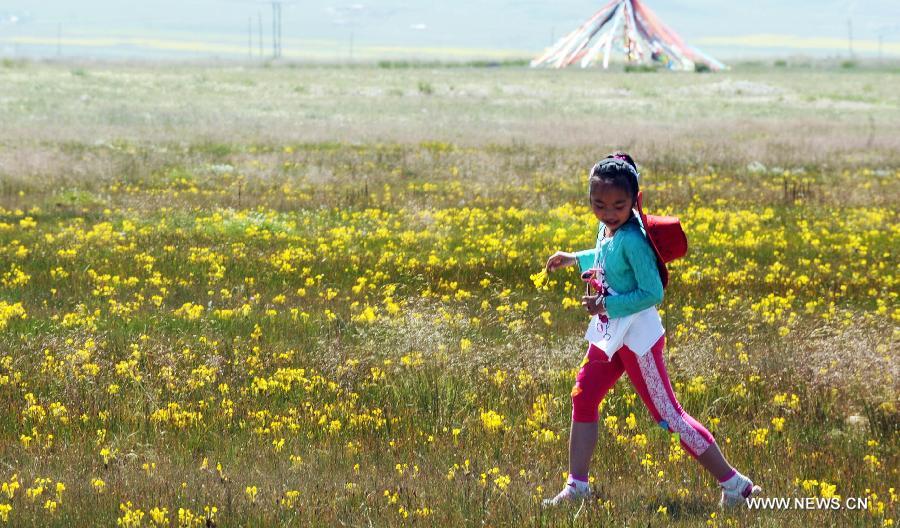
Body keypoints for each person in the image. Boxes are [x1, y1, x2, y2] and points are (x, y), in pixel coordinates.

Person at [542, 153, 760, 508]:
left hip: (637, 340)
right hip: (611, 335)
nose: (608, 212)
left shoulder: (633, 239)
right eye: (599, 204)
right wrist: (573, 258)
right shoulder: (609, 229)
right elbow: (604, 254)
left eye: (618, 205)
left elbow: (652, 292)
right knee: (583, 397)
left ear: (634, 201)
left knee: (668, 416)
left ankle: (736, 485)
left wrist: (605, 306)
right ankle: (577, 486)